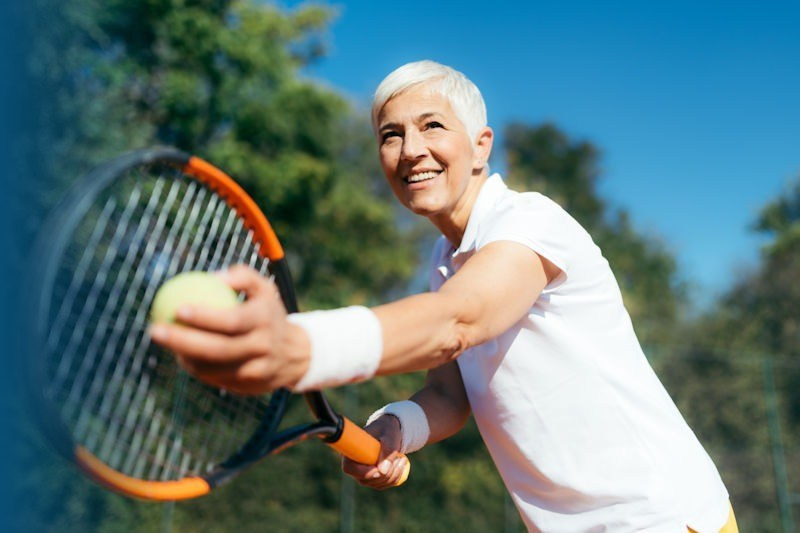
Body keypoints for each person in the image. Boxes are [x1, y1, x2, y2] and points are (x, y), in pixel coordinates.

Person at [150, 60, 737, 532]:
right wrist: (394, 429)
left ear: (480, 146)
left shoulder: (531, 221)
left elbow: (460, 320)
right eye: (391, 134)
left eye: (432, 126)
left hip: (660, 518)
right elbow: (449, 392)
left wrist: (300, 346)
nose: (410, 150)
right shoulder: (443, 265)